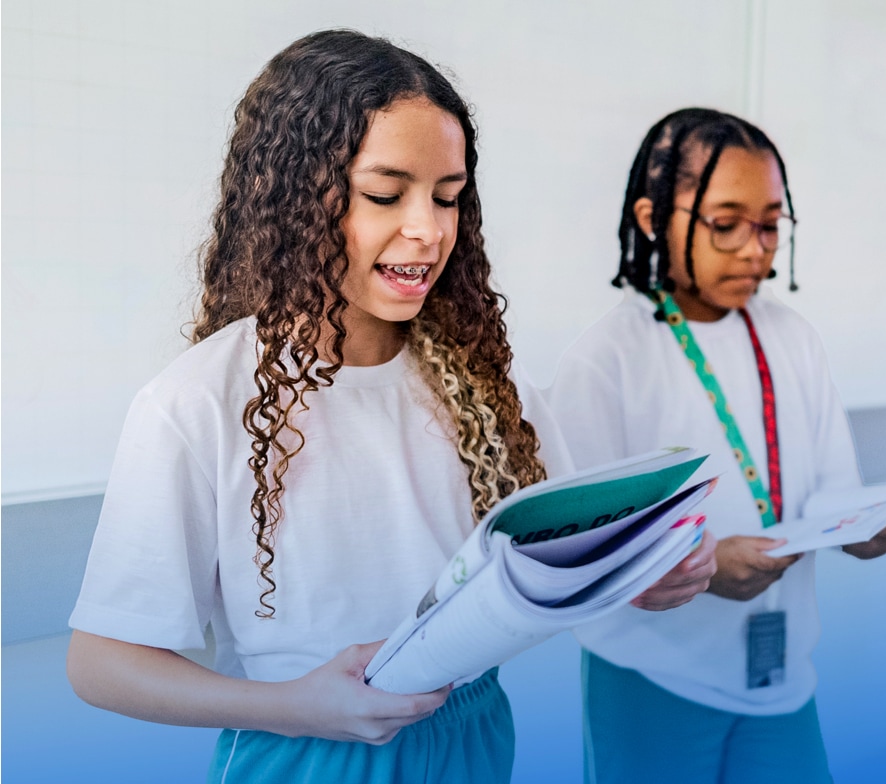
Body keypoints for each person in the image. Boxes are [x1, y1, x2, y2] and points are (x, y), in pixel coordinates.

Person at [65, 32, 712, 784]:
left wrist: (643, 578)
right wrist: (296, 705)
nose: (429, 229)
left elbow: (556, 567)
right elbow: (100, 665)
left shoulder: (489, 389)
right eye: (384, 194)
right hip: (305, 751)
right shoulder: (197, 403)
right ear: (296, 197)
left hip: (471, 736)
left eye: (447, 197)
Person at [546, 108, 886, 784]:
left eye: (771, 225)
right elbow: (582, 558)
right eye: (726, 223)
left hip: (783, 683)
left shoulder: (792, 337)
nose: (756, 250)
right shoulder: (608, 360)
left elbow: (830, 491)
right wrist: (706, 564)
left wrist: (863, 530)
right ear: (653, 218)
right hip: (653, 680)